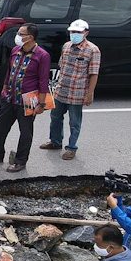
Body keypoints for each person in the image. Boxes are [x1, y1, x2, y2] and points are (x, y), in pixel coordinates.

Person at [0, 23, 50, 172]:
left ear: (30, 37)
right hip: (9, 96)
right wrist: (5, 88)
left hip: (28, 100)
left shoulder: (42, 55)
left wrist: (41, 104)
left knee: (25, 132)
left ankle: (20, 161)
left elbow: (43, 81)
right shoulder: (15, 50)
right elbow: (9, 71)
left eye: (21, 34)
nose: (17, 36)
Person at [40, 19, 100, 160]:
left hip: (77, 92)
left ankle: (71, 147)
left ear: (86, 33)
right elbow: (62, 67)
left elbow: (93, 73)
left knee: (74, 122)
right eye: (73, 32)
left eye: (78, 32)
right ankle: (55, 142)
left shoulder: (93, 50)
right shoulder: (66, 46)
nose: (75, 34)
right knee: (55, 117)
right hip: (61, 89)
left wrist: (90, 93)